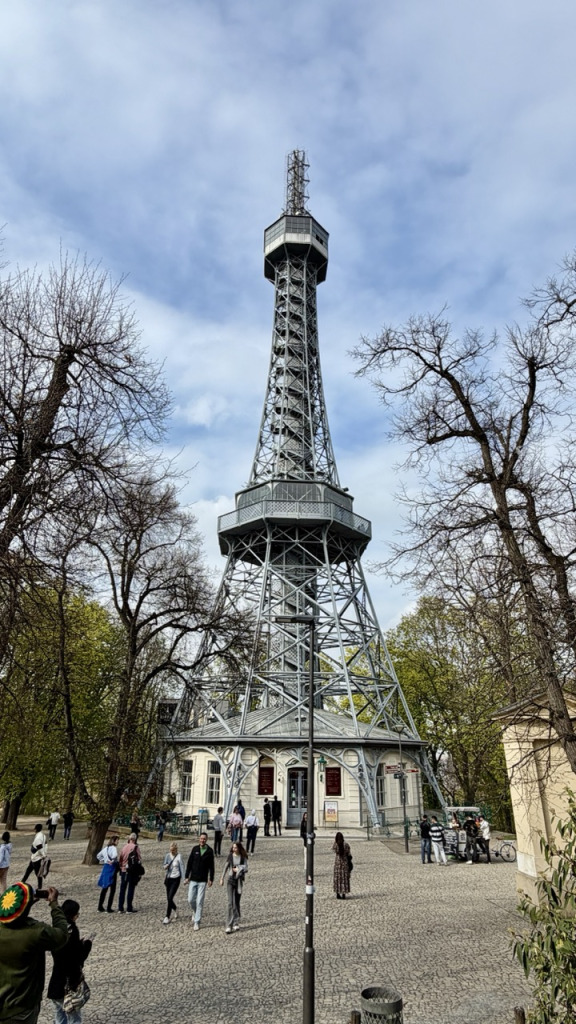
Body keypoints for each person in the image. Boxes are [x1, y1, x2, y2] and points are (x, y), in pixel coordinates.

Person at [0, 883, 68, 1024]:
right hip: (22, 1008)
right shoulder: (36, 932)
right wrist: (54, 905)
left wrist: (26, 904)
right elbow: (61, 935)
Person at [47, 898, 92, 1024]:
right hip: (69, 984)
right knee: (74, 1018)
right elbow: (76, 958)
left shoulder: (57, 929)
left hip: (56, 983)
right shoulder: (72, 930)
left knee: (59, 1017)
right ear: (73, 915)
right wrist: (86, 946)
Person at [184, 832, 215, 931]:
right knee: (190, 899)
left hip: (202, 880)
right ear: (199, 839)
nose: (202, 840)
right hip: (193, 878)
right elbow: (189, 863)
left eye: (204, 839)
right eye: (201, 839)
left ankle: (197, 921)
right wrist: (186, 876)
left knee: (200, 901)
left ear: (207, 840)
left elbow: (211, 866)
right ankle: (195, 911)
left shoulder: (210, 851)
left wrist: (211, 878)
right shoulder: (195, 849)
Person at [220, 840, 248, 933]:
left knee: (236, 903)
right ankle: (229, 925)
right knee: (230, 903)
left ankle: (236, 922)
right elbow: (225, 867)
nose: (233, 849)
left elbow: (246, 868)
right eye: (233, 847)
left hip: (239, 881)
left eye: (235, 847)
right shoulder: (230, 856)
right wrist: (222, 878)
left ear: (239, 848)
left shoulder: (243, 857)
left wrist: (239, 869)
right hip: (230, 881)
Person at [117, 833, 143, 913]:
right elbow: (139, 859)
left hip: (124, 870)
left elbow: (120, 859)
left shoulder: (124, 847)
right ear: (135, 839)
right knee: (131, 888)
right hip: (132, 871)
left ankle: (120, 908)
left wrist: (121, 868)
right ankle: (129, 908)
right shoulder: (135, 847)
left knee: (122, 889)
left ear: (129, 839)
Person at [162, 841, 185, 925]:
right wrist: (166, 866)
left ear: (176, 849)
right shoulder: (167, 856)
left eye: (173, 850)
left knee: (170, 897)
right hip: (169, 879)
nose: (171, 852)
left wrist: (184, 879)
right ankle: (175, 908)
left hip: (176, 879)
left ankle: (167, 916)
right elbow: (164, 865)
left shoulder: (179, 856)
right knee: (169, 898)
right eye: (170, 850)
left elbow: (182, 868)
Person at [96, 835, 119, 913]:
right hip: (111, 868)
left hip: (105, 867)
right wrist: (112, 860)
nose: (118, 842)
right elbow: (115, 855)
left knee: (104, 888)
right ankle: (109, 907)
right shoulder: (114, 848)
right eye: (117, 840)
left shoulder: (105, 849)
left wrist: (104, 860)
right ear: (114, 841)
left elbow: (98, 856)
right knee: (112, 889)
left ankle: (100, 906)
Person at [332, 831, 351, 899]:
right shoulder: (346, 844)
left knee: (337, 879)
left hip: (337, 864)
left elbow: (333, 850)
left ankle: (337, 893)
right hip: (344, 863)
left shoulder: (335, 844)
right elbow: (349, 853)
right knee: (344, 878)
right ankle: (343, 894)